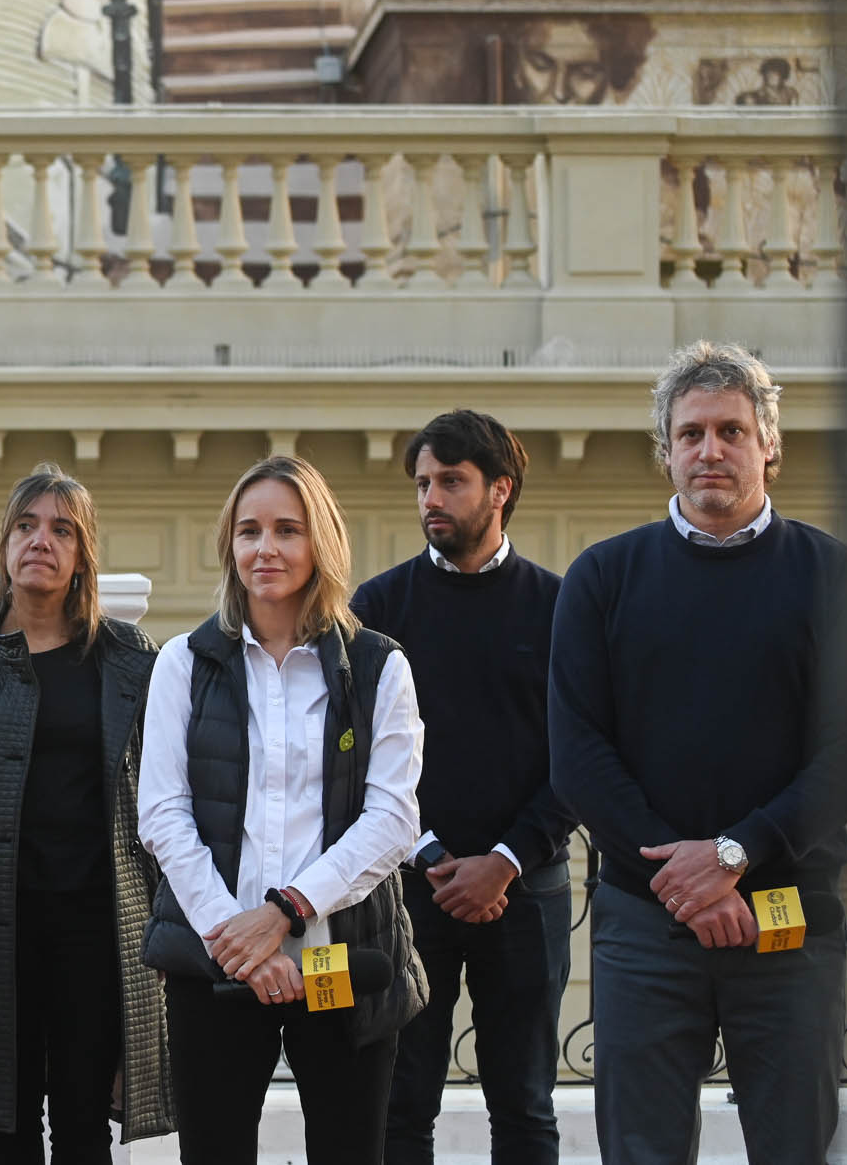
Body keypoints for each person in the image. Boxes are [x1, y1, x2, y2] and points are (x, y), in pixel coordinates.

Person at [550, 342, 847, 1164]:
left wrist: (737, 852)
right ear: (665, 451)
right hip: (643, 922)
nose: (711, 450)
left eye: (732, 430)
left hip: (788, 923)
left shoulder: (835, 578)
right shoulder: (602, 578)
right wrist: (688, 881)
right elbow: (578, 755)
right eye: (691, 433)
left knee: (794, 1145)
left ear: (770, 444)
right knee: (641, 1149)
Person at [138, 455, 426, 1165]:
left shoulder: (380, 666)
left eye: (287, 529)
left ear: (320, 542)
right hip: (218, 964)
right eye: (249, 530)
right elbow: (163, 815)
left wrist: (284, 912)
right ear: (229, 546)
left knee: (349, 1150)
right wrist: (237, 939)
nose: (265, 548)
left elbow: (392, 819)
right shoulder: (184, 661)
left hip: (340, 959)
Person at [0, 464, 173, 1162]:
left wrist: (169, 922)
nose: (40, 541)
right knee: (6, 1121)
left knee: (84, 1121)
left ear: (82, 552)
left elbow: (160, 801)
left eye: (60, 529)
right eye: (26, 525)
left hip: (97, 923)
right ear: (5, 544)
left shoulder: (127, 657)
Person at [354, 411, 574, 1165]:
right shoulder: (377, 609)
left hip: (528, 889)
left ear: (500, 489)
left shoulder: (559, 606)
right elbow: (355, 756)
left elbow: (577, 756)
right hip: (413, 888)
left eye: (451, 480)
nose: (431, 498)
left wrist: (505, 859)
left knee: (524, 1104)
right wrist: (433, 853)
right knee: (401, 1103)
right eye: (423, 483)